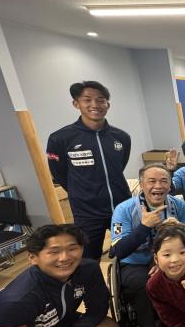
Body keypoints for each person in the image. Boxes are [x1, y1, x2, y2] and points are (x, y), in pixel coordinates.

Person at [110, 163, 185, 327]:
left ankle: (174, 324)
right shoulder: (124, 209)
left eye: (164, 181)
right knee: (145, 283)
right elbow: (119, 250)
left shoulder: (179, 207)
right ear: (141, 184)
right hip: (135, 263)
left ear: (170, 185)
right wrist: (144, 227)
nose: (158, 186)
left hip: (170, 259)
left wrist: (181, 232)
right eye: (152, 181)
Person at [46, 81, 131, 261]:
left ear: (107, 104)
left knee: (128, 251)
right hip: (87, 214)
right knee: (89, 259)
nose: (95, 105)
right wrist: (82, 191)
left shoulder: (121, 137)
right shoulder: (60, 139)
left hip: (120, 209)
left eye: (101, 100)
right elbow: (59, 173)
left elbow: (118, 167)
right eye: (87, 100)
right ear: (76, 103)